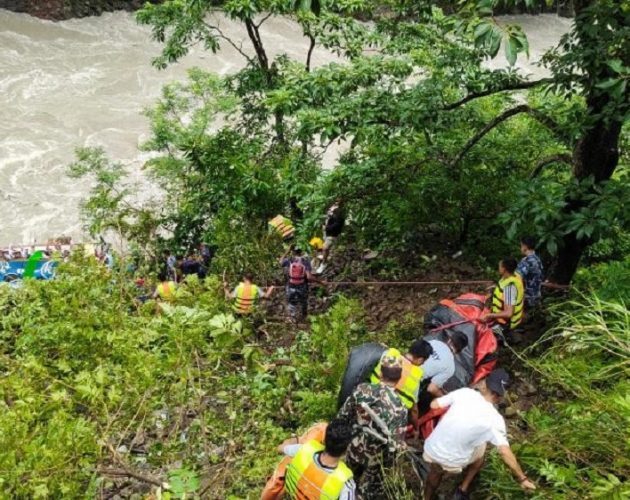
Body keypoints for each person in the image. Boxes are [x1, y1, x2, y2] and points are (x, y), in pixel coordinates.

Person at [423, 369, 536, 500]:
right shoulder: (495, 419)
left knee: (436, 471)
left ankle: (427, 497)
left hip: (432, 449)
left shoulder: (465, 393)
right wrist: (522, 478)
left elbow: (434, 405)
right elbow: (504, 452)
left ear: (484, 384)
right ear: (500, 396)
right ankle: (463, 489)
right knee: (482, 446)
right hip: (453, 461)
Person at [337, 353, 407, 499]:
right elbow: (396, 446)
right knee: (366, 493)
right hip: (375, 460)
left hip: (353, 447)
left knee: (344, 480)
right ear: (399, 378)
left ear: (381, 373)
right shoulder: (400, 408)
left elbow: (342, 416)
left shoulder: (363, 390)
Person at [281, 418, 356, 500]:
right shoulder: (345, 483)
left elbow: (281, 448)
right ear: (345, 450)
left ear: (324, 439)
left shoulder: (304, 450)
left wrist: (295, 440)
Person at [370, 341, 433, 427]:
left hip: (369, 397)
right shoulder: (415, 376)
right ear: (420, 359)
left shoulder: (389, 353)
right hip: (385, 418)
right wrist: (416, 428)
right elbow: (414, 410)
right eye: (423, 362)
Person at [482, 258, 524, 344]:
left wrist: (490, 315)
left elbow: (509, 313)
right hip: (508, 316)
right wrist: (494, 288)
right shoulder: (515, 275)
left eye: (500, 267)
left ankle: (505, 335)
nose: (499, 268)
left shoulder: (509, 288)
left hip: (506, 323)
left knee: (483, 333)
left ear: (504, 269)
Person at [421, 332, 469, 399]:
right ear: (459, 351)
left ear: (449, 339)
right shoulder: (450, 367)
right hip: (411, 382)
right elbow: (431, 389)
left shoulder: (434, 342)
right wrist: (446, 398)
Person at [281, 247, 317, 322]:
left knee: (292, 302)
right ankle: (304, 317)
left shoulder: (290, 260)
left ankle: (292, 318)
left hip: (291, 285)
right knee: (303, 302)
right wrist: (320, 282)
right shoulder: (305, 261)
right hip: (302, 286)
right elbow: (309, 277)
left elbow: (280, 262)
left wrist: (287, 251)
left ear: (293, 252)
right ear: (301, 252)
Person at [316, 200, 345, 274]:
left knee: (325, 248)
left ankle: (323, 264)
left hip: (332, 234)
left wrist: (326, 227)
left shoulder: (339, 214)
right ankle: (325, 257)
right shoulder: (332, 211)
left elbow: (337, 225)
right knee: (324, 247)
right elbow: (327, 219)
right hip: (327, 233)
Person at [516, 236, 544, 309]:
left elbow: (517, 278)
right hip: (536, 297)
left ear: (525, 246)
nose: (521, 248)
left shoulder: (527, 261)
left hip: (526, 299)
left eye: (521, 246)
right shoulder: (538, 260)